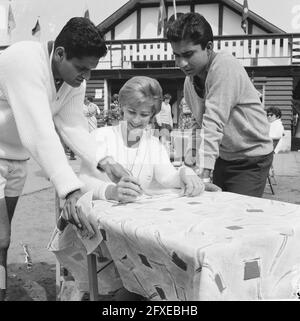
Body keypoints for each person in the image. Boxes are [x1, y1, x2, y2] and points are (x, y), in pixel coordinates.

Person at [0, 17, 128, 300]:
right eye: (81, 68)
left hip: (16, 158)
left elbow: (72, 125)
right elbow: (39, 130)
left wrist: (105, 161)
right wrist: (69, 189)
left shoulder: (73, 79)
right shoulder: (24, 60)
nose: (86, 76)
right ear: (59, 53)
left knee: (1, 244)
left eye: (91, 70)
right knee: (2, 235)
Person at [49, 76, 206, 300]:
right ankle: (128, 289)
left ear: (153, 116)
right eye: (131, 112)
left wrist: (185, 173)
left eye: (144, 115)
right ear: (121, 107)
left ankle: (140, 289)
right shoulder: (100, 137)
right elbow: (83, 181)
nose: (136, 120)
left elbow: (166, 176)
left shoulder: (153, 144)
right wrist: (111, 192)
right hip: (102, 231)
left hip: (134, 229)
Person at [166, 12, 274, 197]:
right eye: (176, 55)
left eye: (188, 54)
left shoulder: (224, 65)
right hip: (224, 156)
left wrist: (204, 176)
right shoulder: (189, 81)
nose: (181, 63)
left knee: (237, 216)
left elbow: (213, 121)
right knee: (214, 210)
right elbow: (199, 125)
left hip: (251, 156)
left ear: (208, 47)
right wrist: (191, 162)